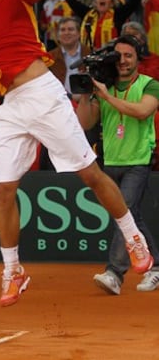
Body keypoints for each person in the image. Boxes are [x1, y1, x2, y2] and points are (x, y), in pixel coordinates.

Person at [0, 0, 153, 308]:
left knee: (90, 174)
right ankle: (13, 270)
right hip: (10, 106)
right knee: (3, 190)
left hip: (42, 94)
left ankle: (133, 237)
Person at [76, 35, 159, 294]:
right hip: (110, 160)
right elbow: (85, 123)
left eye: (128, 56)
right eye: (118, 56)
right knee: (131, 216)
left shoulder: (150, 84)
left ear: (137, 58)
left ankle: (114, 273)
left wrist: (104, 95)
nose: (122, 61)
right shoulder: (105, 87)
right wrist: (86, 94)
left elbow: (143, 111)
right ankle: (156, 267)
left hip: (138, 159)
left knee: (124, 211)